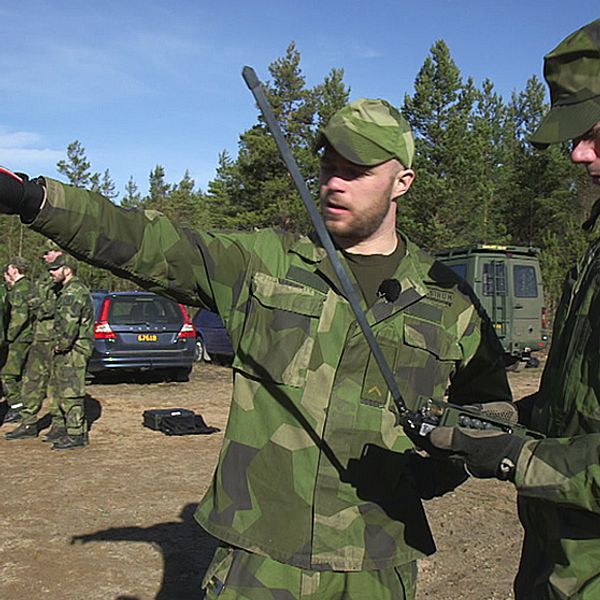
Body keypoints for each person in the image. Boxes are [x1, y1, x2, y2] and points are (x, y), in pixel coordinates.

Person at [0, 99, 511, 598]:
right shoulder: (265, 264)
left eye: (355, 171)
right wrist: (32, 199)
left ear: (403, 182)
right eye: (328, 166)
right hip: (261, 558)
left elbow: (490, 415)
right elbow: (148, 240)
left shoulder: (449, 302)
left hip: (375, 561)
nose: (333, 182)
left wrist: (431, 475)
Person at [427, 18, 600, 600]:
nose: (578, 154)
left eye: (594, 130)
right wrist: (507, 420)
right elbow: (582, 408)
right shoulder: (595, 255)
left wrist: (515, 457)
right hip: (559, 568)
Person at [4, 242, 64, 440]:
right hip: (39, 337)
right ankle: (28, 423)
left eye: (48, 253)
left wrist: (34, 303)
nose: (44, 257)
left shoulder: (63, 280)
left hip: (53, 337)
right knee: (32, 382)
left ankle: (59, 424)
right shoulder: (43, 278)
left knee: (54, 385)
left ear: (59, 253)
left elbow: (51, 308)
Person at [44, 254, 94, 451]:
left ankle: (75, 434)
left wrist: (60, 345)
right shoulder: (68, 290)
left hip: (74, 350)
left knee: (71, 392)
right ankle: (69, 429)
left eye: (55, 269)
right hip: (71, 348)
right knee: (61, 389)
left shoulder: (73, 292)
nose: (51, 273)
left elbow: (69, 326)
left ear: (67, 269)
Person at [1, 256, 34, 424]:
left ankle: (16, 408)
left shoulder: (20, 289)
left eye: (8, 270)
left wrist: (7, 337)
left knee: (7, 375)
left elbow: (19, 317)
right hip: (26, 337)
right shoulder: (29, 286)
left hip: (19, 339)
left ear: (14, 269)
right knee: (19, 375)